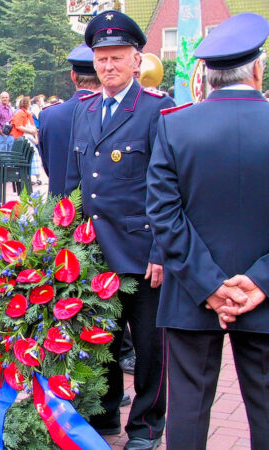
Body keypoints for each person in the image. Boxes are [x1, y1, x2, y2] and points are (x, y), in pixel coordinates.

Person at [146, 13, 269, 450]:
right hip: (264, 297)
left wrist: (210, 286)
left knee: (188, 416)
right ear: (259, 67)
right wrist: (258, 282)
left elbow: (163, 214)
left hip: (190, 296)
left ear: (208, 76)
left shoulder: (176, 124)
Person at [64, 11, 175, 450]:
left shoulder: (156, 109)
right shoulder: (85, 110)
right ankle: (107, 411)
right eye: (101, 59)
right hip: (94, 254)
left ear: (136, 60)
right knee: (101, 339)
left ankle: (147, 426)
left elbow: (170, 185)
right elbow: (75, 182)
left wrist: (163, 249)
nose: (107, 67)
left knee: (149, 347)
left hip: (143, 253)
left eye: (116, 58)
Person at [39, 44, 100, 196]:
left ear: (73, 76)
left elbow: (48, 165)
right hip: (97, 211)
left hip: (58, 210)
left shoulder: (49, 115)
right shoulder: (108, 113)